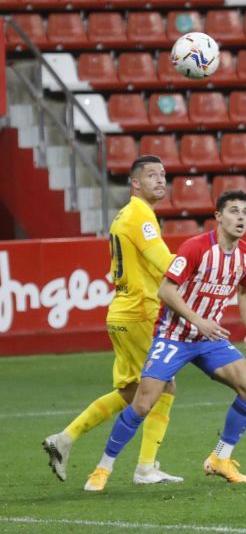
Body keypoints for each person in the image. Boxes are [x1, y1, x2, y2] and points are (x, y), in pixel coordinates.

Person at [84, 190, 246, 491]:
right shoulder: (195, 248)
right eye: (233, 211)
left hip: (209, 339)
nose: (241, 217)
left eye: (245, 211)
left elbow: (245, 292)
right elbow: (165, 291)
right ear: (218, 217)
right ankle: (103, 468)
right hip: (174, 335)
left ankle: (221, 458)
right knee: (142, 403)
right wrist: (198, 321)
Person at [42, 155, 181, 485]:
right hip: (139, 312)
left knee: (134, 391)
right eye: (151, 176)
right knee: (164, 385)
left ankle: (64, 439)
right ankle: (144, 468)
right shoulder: (140, 216)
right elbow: (164, 262)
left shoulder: (128, 215)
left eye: (162, 175)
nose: (160, 180)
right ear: (135, 184)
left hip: (122, 311)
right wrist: (203, 264)